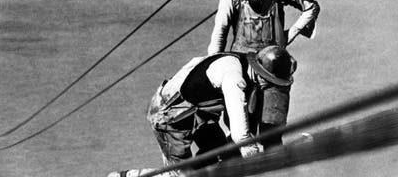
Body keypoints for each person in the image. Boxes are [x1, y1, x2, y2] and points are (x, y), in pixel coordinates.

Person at [109, 46, 296, 177]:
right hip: (169, 117)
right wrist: (260, 158)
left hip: (196, 115)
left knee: (216, 154)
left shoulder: (240, 62)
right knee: (180, 176)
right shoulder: (234, 78)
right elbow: (241, 135)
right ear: (264, 77)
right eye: (272, 83)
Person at [207, 0, 319, 147]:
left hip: (273, 69)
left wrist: (290, 34)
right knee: (240, 132)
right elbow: (220, 31)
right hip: (241, 68)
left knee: (272, 131)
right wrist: (215, 71)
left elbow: (311, 7)